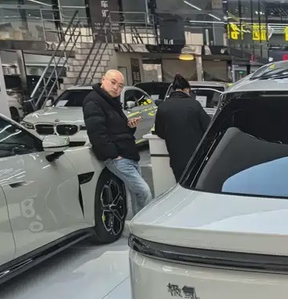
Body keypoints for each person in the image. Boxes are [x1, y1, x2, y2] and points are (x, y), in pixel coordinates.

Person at [83, 69, 152, 215]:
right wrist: (113, 155)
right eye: (113, 82)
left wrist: (130, 126)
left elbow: (117, 129)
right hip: (119, 157)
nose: (116, 88)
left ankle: (138, 224)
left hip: (129, 154)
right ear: (103, 80)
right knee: (143, 191)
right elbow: (96, 132)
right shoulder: (94, 101)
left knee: (138, 194)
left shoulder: (112, 102)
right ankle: (145, 224)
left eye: (120, 86)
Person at [154, 74, 211, 182]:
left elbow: (159, 131)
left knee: (180, 184)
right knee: (196, 183)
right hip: (196, 156)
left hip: (176, 157)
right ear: (187, 89)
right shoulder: (194, 104)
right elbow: (208, 127)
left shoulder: (163, 107)